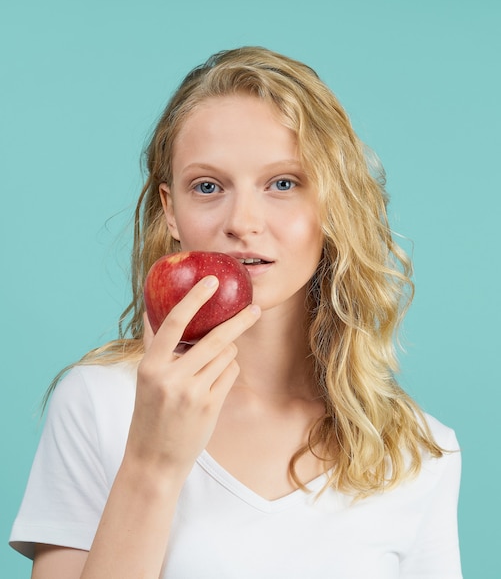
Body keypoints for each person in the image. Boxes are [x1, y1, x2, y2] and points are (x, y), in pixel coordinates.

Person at [10, 46, 462, 578]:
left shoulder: (416, 452)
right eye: (208, 187)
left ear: (332, 204)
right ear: (170, 211)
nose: (243, 222)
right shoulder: (99, 402)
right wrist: (152, 464)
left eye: (283, 184)